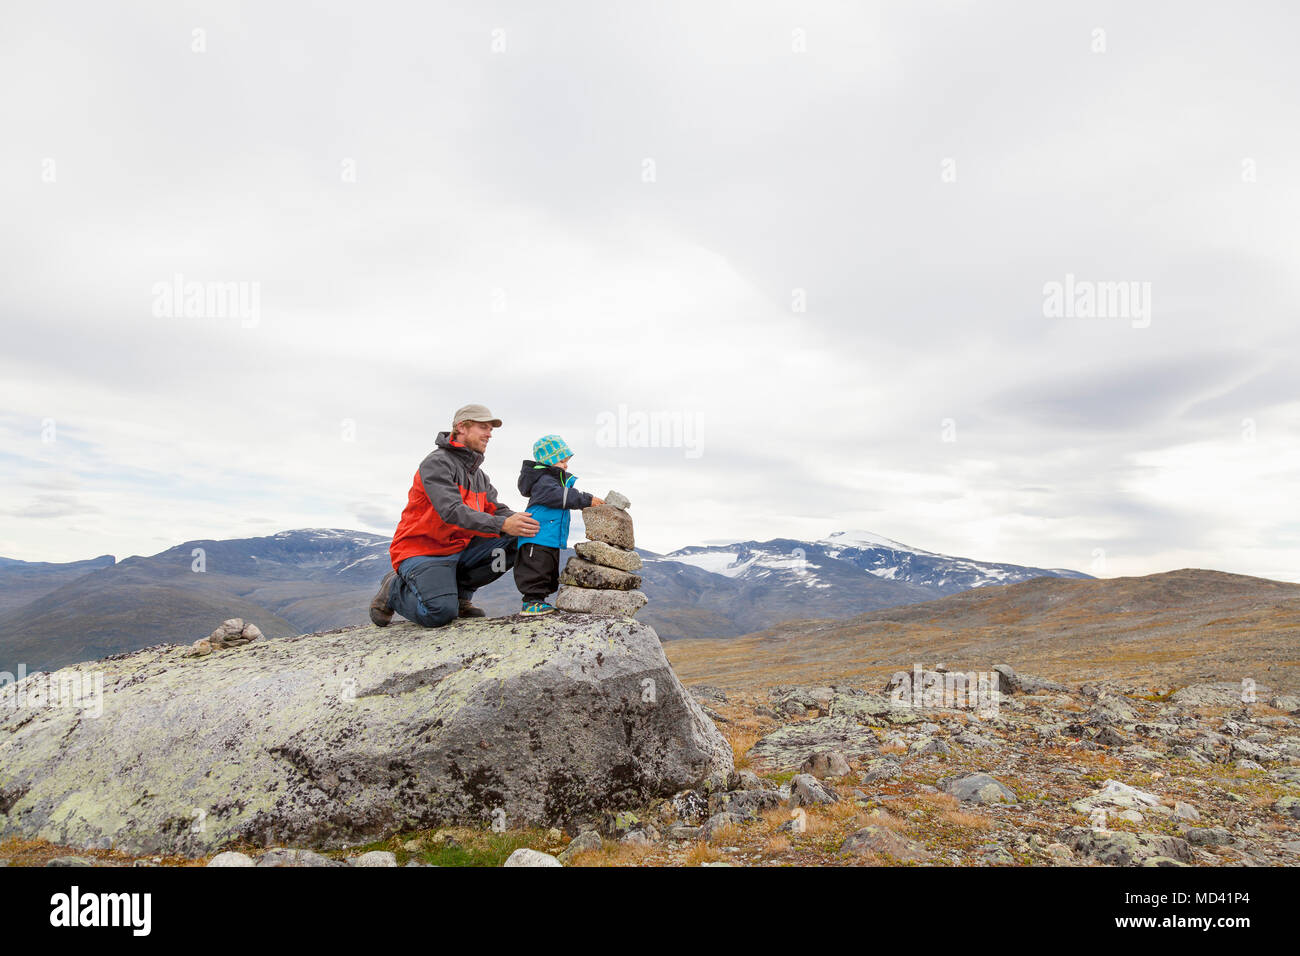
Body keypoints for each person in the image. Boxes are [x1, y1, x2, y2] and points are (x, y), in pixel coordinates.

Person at [369, 404, 540, 628]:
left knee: (517, 537)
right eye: (483, 427)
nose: (489, 434)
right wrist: (503, 523)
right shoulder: (437, 463)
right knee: (439, 613)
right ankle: (394, 588)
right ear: (462, 427)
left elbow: (495, 510)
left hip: (460, 551)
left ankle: (460, 595)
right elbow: (451, 511)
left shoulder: (478, 475)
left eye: (491, 429)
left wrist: (527, 520)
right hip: (423, 552)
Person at [512, 434, 604, 615]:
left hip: (548, 536)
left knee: (546, 568)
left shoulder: (549, 480)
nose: (566, 465)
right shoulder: (544, 481)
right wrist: (587, 499)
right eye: (561, 461)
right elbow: (561, 496)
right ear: (549, 460)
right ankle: (531, 602)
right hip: (537, 536)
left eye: (566, 461)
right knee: (536, 569)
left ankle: (539, 602)